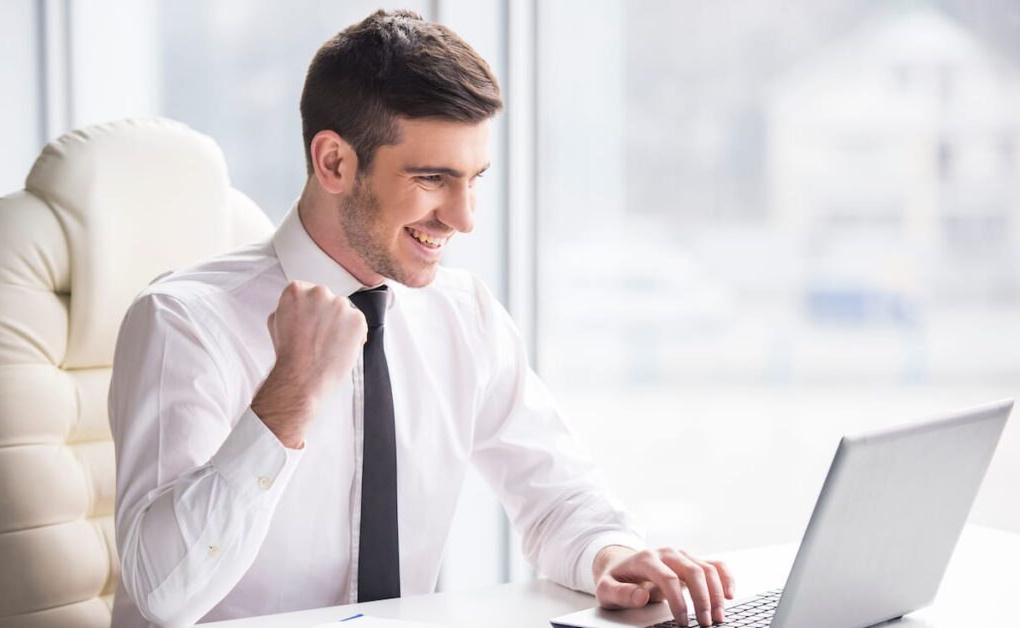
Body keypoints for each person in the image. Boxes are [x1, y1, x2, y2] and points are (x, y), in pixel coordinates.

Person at [109, 9, 733, 628]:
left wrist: (613, 554)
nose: (463, 219)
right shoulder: (185, 320)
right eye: (433, 179)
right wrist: (288, 397)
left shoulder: (465, 316)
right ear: (333, 163)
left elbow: (559, 497)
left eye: (473, 179)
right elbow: (164, 596)